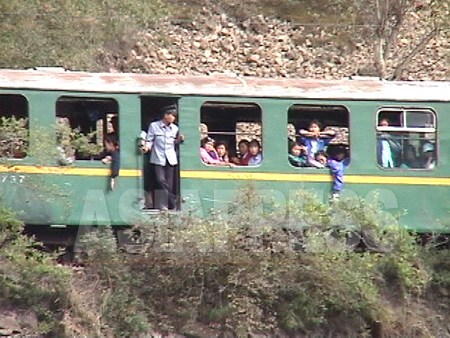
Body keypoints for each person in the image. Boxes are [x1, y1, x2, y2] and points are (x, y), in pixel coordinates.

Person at [141, 104, 182, 210]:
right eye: (172, 115)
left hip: (171, 158)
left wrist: (179, 140)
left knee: (169, 183)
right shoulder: (154, 126)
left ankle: (164, 205)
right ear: (165, 115)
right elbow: (150, 140)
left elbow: (174, 143)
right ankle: (172, 202)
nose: (173, 118)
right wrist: (147, 147)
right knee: (160, 180)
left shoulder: (175, 128)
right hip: (158, 157)